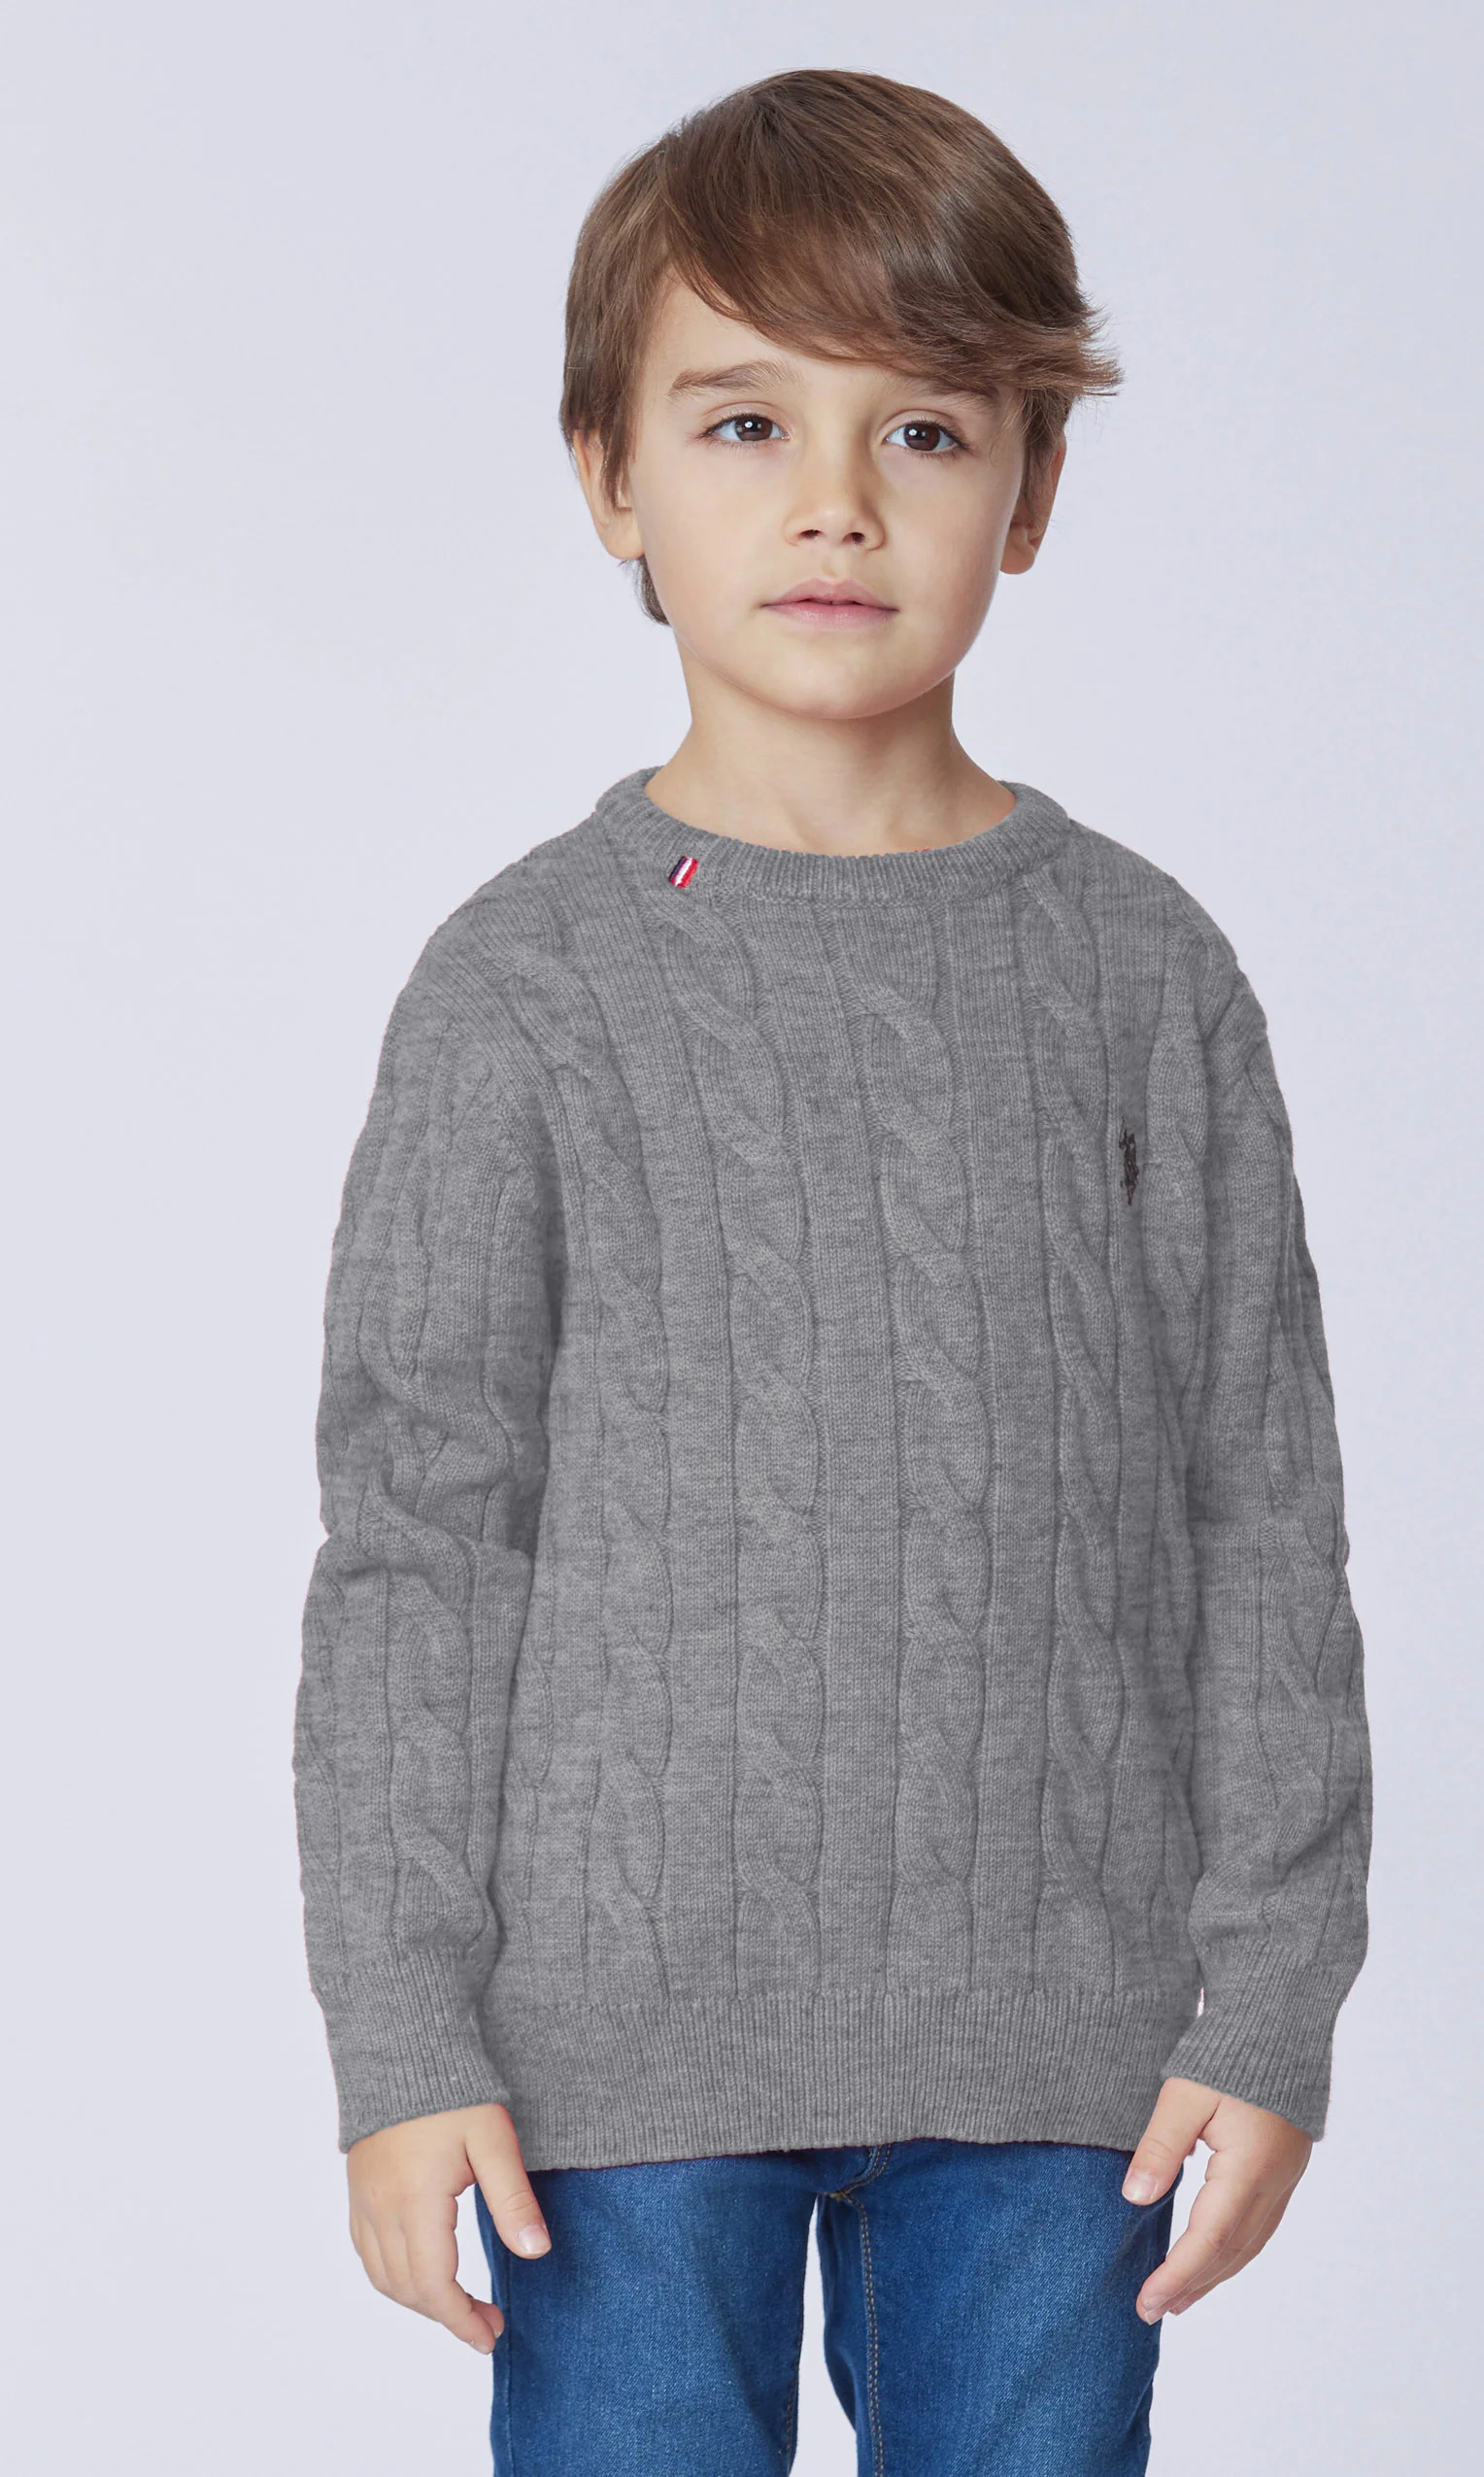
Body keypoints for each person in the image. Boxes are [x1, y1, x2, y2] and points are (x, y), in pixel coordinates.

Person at [291, 65, 1373, 2477]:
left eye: (927, 431)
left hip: (1064, 2057)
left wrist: (1271, 1997)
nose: (832, 502)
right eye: (744, 420)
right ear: (610, 479)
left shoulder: (1139, 972)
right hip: (609, 2069)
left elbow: (1259, 1509)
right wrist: (402, 2035)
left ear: (1034, 491)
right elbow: (419, 1540)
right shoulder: (522, 987)